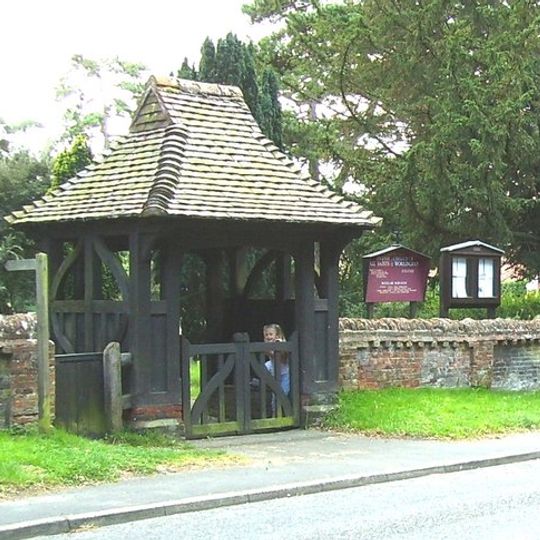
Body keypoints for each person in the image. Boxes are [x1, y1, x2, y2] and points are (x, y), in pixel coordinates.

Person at [262, 323, 290, 397]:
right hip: (274, 372)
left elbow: (282, 358)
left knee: (283, 392)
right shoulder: (268, 345)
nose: (268, 337)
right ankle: (274, 408)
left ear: (277, 335)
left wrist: (272, 350)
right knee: (275, 393)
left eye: (271, 334)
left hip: (284, 373)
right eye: (266, 335)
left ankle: (282, 407)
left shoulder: (280, 343)